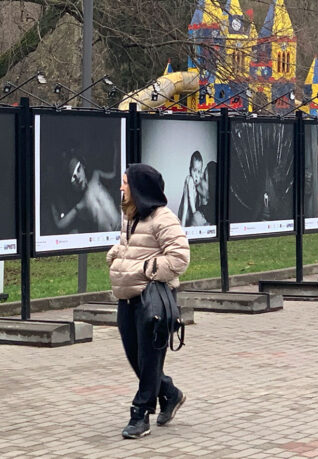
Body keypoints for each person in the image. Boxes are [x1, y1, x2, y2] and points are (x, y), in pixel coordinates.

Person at [106, 163, 190, 439]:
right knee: (138, 359)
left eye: (126, 182)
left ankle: (140, 414)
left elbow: (179, 258)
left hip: (152, 300)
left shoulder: (163, 218)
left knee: (150, 359)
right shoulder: (130, 215)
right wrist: (118, 253)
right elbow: (136, 246)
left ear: (139, 187)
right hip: (126, 297)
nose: (121, 187)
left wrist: (145, 270)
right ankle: (170, 393)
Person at [50, 152, 120, 233]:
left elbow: (115, 174)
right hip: (109, 238)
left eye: (78, 169)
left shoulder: (96, 176)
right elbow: (60, 224)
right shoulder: (81, 203)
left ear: (83, 166)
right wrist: (51, 200)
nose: (78, 178)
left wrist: (117, 148)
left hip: (123, 228)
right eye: (73, 177)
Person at [177, 151, 205, 227]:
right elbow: (189, 198)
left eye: (199, 171)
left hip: (191, 215)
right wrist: (195, 214)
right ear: (190, 170)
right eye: (194, 170)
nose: (196, 175)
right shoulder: (189, 180)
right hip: (184, 213)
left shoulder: (198, 182)